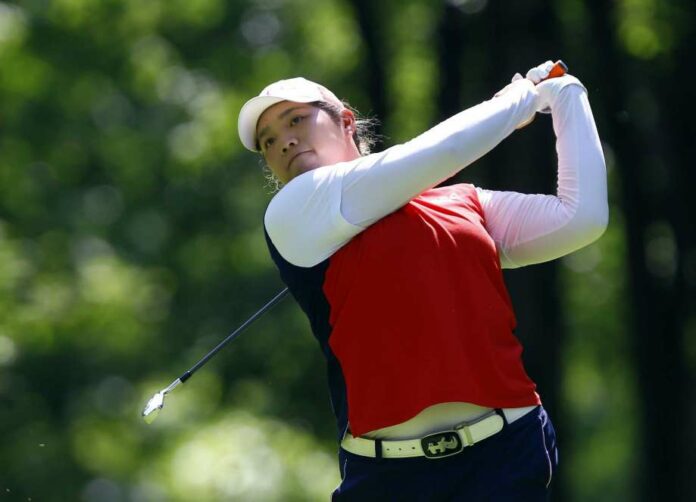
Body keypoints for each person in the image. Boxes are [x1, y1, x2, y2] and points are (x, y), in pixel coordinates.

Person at [237, 60, 607, 501]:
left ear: (347, 121)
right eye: (268, 141)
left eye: (296, 119)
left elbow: (580, 217)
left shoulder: (463, 202)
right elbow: (442, 151)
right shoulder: (292, 211)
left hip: (506, 456)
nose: (285, 142)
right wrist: (522, 98)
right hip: (388, 479)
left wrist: (567, 93)